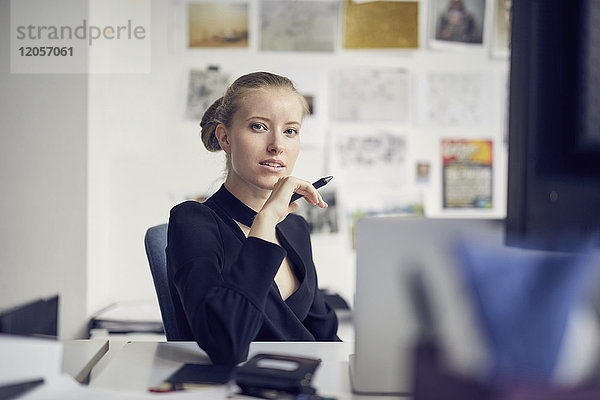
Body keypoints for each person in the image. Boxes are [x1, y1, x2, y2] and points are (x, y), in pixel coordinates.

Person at [166, 72, 340, 365]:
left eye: (290, 131)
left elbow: (324, 334)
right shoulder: (192, 222)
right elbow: (225, 345)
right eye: (259, 127)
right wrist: (266, 220)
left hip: (299, 383)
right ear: (225, 138)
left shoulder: (294, 226)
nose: (277, 145)